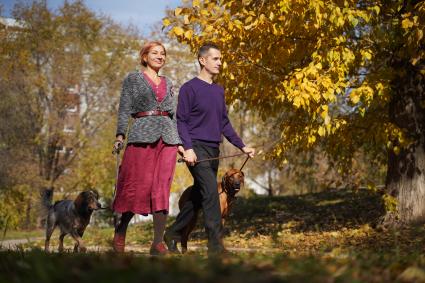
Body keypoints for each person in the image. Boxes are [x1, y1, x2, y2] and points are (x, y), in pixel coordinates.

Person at [164, 43, 255, 255]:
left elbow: (224, 123)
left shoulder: (218, 90)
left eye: (221, 59)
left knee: (197, 196)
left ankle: (173, 233)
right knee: (211, 195)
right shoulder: (189, 88)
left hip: (213, 151)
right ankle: (215, 246)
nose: (220, 63)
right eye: (216, 59)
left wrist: (242, 146)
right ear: (202, 60)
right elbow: (181, 121)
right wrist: (187, 148)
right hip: (195, 149)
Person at [112, 41, 183, 256]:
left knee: (162, 187)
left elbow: (174, 115)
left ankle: (157, 243)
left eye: (163, 53)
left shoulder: (169, 82)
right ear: (145, 57)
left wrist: (179, 142)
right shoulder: (133, 79)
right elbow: (124, 108)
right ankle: (120, 232)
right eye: (155, 53)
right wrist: (120, 134)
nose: (160, 56)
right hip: (141, 135)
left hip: (168, 138)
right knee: (136, 186)